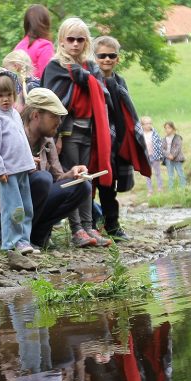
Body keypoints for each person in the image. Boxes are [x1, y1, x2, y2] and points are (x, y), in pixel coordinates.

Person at [0, 88, 91, 249]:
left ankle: (37, 237)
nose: (59, 122)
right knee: (41, 179)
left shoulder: (48, 141)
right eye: (54, 116)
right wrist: (21, 172)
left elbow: (57, 179)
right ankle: (8, 234)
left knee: (81, 186)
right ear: (35, 115)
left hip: (32, 207)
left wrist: (72, 174)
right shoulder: (7, 138)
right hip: (3, 211)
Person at [41, 17, 113, 248]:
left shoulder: (91, 68)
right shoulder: (55, 67)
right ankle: (77, 230)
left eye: (80, 40)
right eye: (70, 39)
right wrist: (57, 136)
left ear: (86, 42)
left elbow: (102, 98)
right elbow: (52, 106)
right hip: (67, 133)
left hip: (89, 131)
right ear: (61, 41)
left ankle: (89, 226)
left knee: (88, 180)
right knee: (74, 179)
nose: (75, 44)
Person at [93, 35, 150, 241]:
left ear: (117, 58)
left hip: (117, 140)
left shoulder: (119, 81)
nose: (106, 59)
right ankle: (90, 226)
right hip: (97, 141)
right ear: (94, 57)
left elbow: (126, 111)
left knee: (109, 189)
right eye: (101, 56)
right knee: (92, 185)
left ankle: (112, 225)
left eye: (111, 55)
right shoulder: (91, 80)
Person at [0, 72, 36, 254]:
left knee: (26, 207)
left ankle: (24, 239)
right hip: (7, 173)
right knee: (14, 208)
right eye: (0, 96)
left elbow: (21, 141)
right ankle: (12, 241)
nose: (5, 99)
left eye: (9, 95)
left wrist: (29, 162)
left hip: (21, 169)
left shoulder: (14, 114)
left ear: (15, 95)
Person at [13, 4, 54, 80]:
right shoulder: (45, 46)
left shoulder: (18, 47)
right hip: (36, 91)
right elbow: (46, 78)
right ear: (45, 22)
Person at [140, 116, 164, 193]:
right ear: (142, 125)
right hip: (146, 157)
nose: (148, 125)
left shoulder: (154, 133)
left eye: (150, 123)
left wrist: (160, 155)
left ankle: (160, 188)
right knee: (148, 174)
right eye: (146, 124)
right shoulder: (141, 135)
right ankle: (150, 190)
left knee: (158, 173)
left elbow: (159, 144)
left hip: (155, 156)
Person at [162, 121, 185, 189]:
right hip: (168, 159)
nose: (167, 129)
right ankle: (170, 189)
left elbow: (178, 147)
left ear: (173, 128)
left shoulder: (178, 138)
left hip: (177, 159)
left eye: (169, 128)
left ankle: (183, 187)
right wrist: (168, 155)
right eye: (165, 128)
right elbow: (162, 149)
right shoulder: (164, 139)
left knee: (180, 173)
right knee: (170, 175)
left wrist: (173, 155)